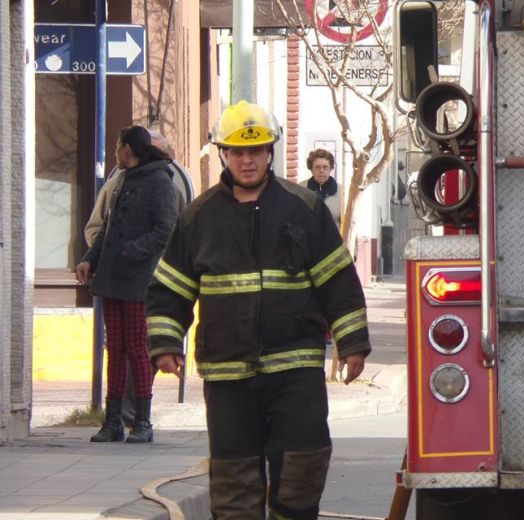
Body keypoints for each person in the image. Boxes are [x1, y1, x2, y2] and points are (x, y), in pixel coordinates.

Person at [145, 100, 371, 519]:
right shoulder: (198, 218)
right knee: (234, 482)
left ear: (270, 152)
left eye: (256, 150)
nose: (247, 160)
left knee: (303, 465)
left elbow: (337, 280)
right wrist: (164, 342)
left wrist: (352, 342)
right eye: (237, 152)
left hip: (296, 369)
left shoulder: (303, 209)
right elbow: (171, 286)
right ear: (223, 155)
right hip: (228, 374)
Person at [75, 126, 178, 444]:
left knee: (136, 348)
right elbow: (107, 226)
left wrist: (132, 251)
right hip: (111, 277)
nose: (115, 152)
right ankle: (112, 421)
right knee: (115, 350)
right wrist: (89, 258)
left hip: (138, 279)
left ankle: (143, 422)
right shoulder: (122, 179)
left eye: (117, 146)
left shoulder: (159, 181)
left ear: (128, 149)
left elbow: (165, 228)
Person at [301, 148, 342, 225]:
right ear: (311, 169)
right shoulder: (300, 189)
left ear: (330, 169)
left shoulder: (342, 192)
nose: (321, 170)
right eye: (317, 167)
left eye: (325, 167)